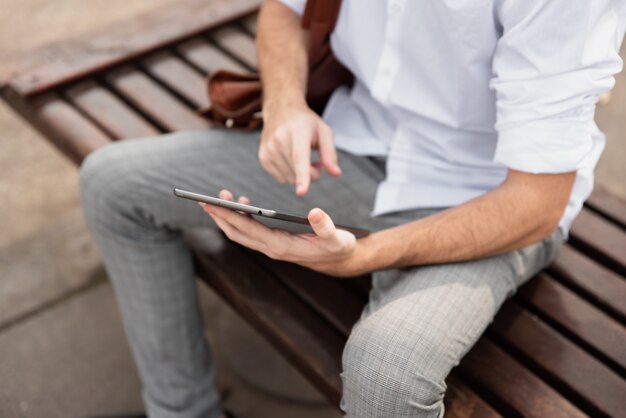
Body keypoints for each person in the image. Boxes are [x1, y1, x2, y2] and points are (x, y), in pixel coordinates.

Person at [79, 1, 626, 417]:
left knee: (386, 373)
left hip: (487, 201)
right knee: (112, 185)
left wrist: (365, 253)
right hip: (352, 146)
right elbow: (284, 11)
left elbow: (536, 202)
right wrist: (285, 105)